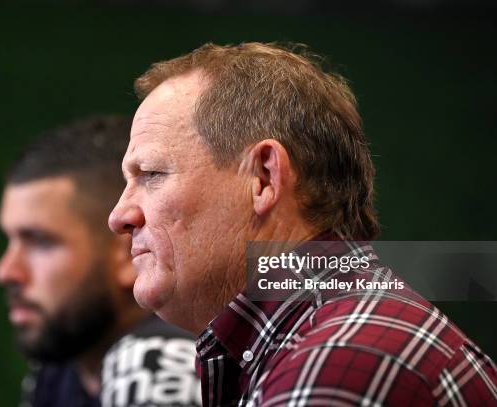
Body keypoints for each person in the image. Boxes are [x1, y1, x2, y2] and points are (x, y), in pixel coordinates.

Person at [108, 43, 497, 406]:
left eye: (152, 173)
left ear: (263, 177)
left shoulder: (339, 361)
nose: (119, 216)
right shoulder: (330, 333)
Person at [0, 116, 201, 407]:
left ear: (128, 252)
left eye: (40, 242)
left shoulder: (155, 362)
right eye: (11, 240)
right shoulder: (61, 368)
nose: (6, 272)